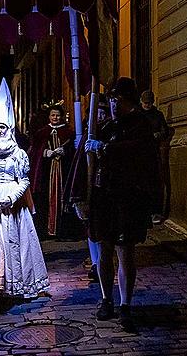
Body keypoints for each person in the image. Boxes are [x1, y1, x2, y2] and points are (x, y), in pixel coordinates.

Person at [83, 78, 161, 333]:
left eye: (118, 100)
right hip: (104, 197)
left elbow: (134, 152)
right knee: (104, 251)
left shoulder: (141, 125)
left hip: (127, 199)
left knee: (124, 252)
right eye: (112, 100)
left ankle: (125, 304)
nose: (114, 105)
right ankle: (107, 299)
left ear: (129, 101)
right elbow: (92, 159)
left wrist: (104, 148)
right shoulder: (106, 127)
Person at [0, 78, 50, 309]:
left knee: (15, 244)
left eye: (3, 127)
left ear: (9, 128)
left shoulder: (18, 154)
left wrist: (12, 197)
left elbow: (23, 179)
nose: (0, 130)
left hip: (13, 206)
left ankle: (16, 285)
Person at [66, 94, 112, 283]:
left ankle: (103, 262)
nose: (100, 116)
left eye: (103, 112)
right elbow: (79, 166)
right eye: (97, 112)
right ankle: (95, 263)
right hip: (89, 188)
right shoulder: (87, 133)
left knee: (103, 228)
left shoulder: (110, 130)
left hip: (106, 188)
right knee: (90, 227)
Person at [28, 104, 77, 240]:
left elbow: (74, 151)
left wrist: (65, 151)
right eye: (52, 115)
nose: (55, 117)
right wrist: (45, 152)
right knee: (44, 199)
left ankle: (63, 231)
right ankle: (45, 231)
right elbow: (34, 152)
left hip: (64, 171)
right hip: (46, 173)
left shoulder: (68, 132)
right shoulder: (42, 132)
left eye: (57, 115)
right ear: (49, 117)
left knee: (64, 198)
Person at [140, 89, 174, 222]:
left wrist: (158, 135)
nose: (148, 105)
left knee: (154, 182)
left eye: (150, 103)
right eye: (145, 103)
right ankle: (143, 211)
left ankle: (155, 211)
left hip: (153, 152)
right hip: (140, 152)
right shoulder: (138, 114)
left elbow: (164, 130)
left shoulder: (157, 115)